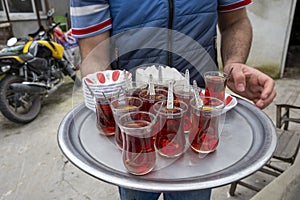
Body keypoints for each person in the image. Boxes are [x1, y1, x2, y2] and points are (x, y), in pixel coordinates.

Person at [70, 0, 276, 199]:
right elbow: (93, 52)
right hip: (135, 124)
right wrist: (110, 100)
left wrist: (234, 65)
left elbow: (235, 21)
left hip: (199, 119)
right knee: (138, 184)